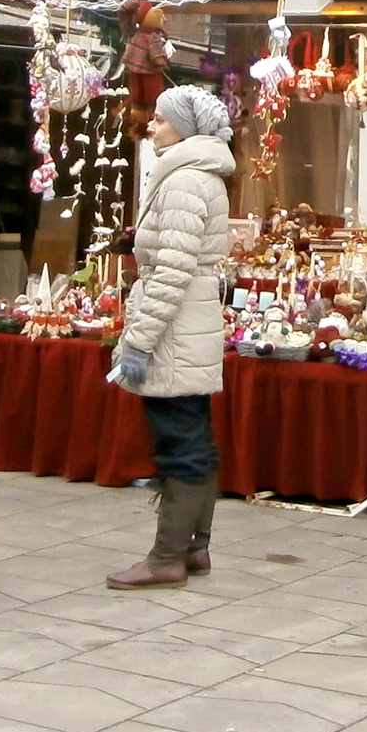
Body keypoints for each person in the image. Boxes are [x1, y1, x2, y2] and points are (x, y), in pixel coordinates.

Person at [106, 84, 235, 589]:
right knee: (192, 434)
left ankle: (166, 558)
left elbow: (171, 272)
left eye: (160, 119)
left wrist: (139, 339)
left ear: (186, 127)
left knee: (178, 439)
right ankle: (193, 547)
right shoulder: (196, 174)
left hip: (176, 330)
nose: (151, 127)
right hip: (190, 324)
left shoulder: (184, 181)